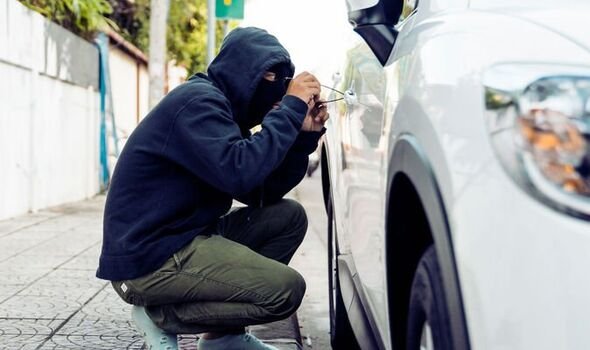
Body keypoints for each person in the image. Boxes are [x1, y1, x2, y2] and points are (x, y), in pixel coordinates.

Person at [96, 27, 328, 350]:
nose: (274, 98)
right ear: (244, 75)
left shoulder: (222, 113)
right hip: (151, 258)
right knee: (285, 290)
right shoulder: (198, 103)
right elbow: (240, 172)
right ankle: (159, 315)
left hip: (183, 236)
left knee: (288, 218)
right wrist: (289, 109)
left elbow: (259, 192)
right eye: (270, 80)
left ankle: (223, 339)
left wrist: (303, 139)